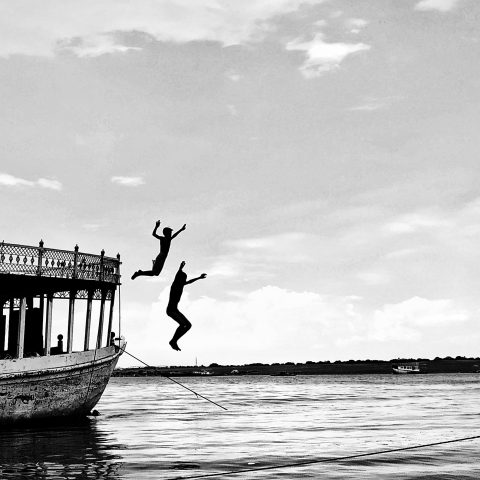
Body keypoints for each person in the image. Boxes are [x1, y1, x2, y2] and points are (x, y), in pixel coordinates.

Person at [167, 261, 207, 351]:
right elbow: (177, 276)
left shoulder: (181, 285)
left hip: (175, 310)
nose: (185, 281)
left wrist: (199, 277)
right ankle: (173, 341)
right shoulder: (175, 285)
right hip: (171, 310)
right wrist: (180, 268)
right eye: (183, 279)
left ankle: (174, 341)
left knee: (188, 325)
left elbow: (189, 282)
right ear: (179, 279)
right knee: (183, 324)